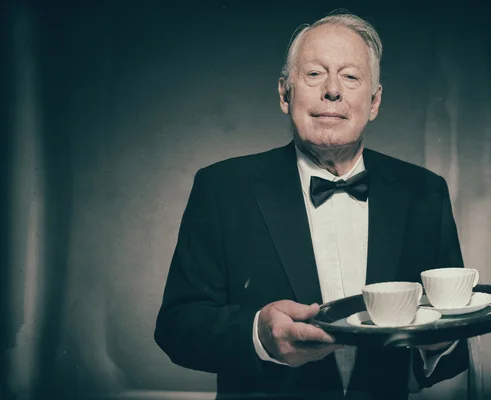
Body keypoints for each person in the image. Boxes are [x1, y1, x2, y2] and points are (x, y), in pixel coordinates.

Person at [155, 11, 469, 400]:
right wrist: (259, 335)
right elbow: (177, 326)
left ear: (374, 101)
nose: (332, 91)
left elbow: (457, 333)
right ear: (285, 94)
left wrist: (439, 344)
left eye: (350, 77)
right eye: (315, 74)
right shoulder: (222, 187)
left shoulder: (426, 192)